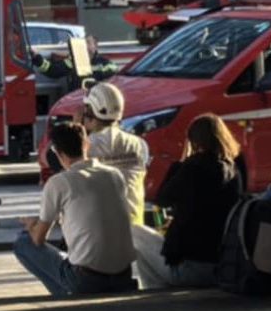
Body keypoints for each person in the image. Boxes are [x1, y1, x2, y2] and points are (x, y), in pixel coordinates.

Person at [14, 121, 136, 298]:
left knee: (24, 242)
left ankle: (67, 294)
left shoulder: (59, 182)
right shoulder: (114, 174)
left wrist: (31, 224)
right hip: (123, 276)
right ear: (87, 144)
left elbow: (39, 239)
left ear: (57, 152)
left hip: (87, 279)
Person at [131, 114, 244, 290]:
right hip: (221, 265)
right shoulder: (235, 171)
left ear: (194, 142)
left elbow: (162, 198)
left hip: (190, 267)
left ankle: (154, 289)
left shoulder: (192, 167)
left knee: (134, 232)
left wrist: (181, 163)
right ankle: (159, 289)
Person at [81, 82, 150, 224]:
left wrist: (76, 131)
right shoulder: (140, 145)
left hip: (102, 232)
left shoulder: (86, 146)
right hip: (136, 228)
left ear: (90, 111)